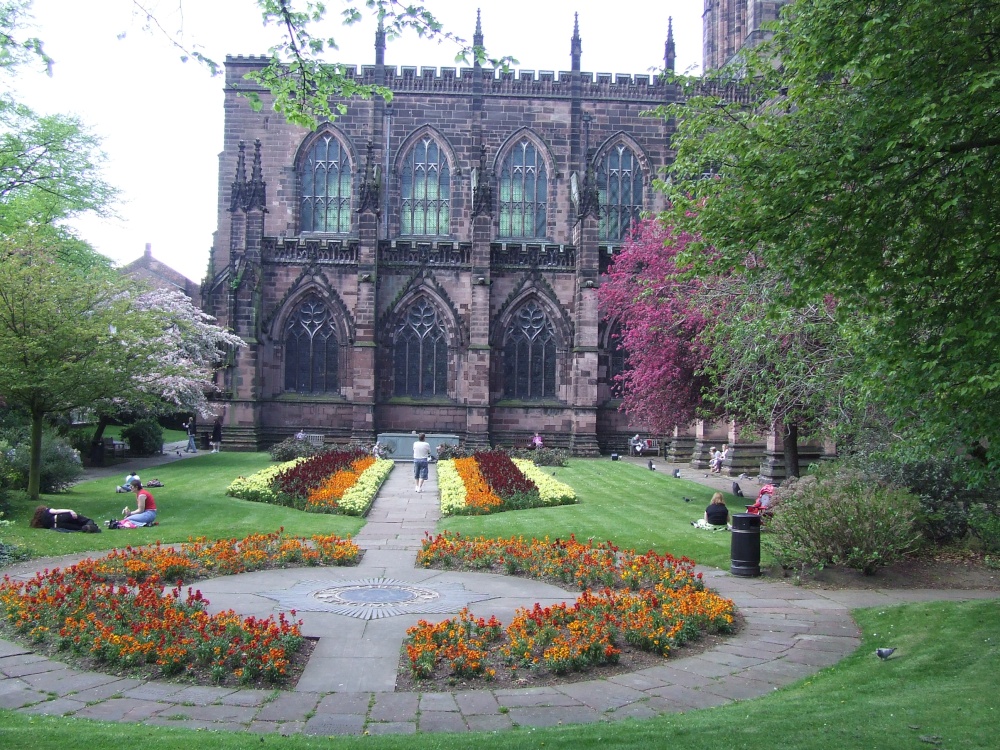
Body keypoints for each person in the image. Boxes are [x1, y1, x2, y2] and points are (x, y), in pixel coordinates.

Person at [30, 505, 101, 533]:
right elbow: (56, 511)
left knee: (78, 528)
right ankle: (91, 525)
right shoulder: (46, 511)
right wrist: (70, 511)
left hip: (59, 526)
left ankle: (87, 528)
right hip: (60, 517)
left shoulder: (42, 523)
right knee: (85, 520)